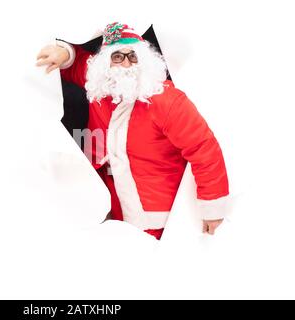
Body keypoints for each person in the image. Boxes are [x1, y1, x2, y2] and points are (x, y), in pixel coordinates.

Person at [36, 22, 229, 240]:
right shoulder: (99, 83)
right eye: (117, 56)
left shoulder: (168, 101)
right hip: (112, 209)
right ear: (106, 63)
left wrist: (212, 210)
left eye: (133, 56)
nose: (126, 64)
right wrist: (63, 51)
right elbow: (74, 63)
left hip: (159, 220)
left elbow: (204, 148)